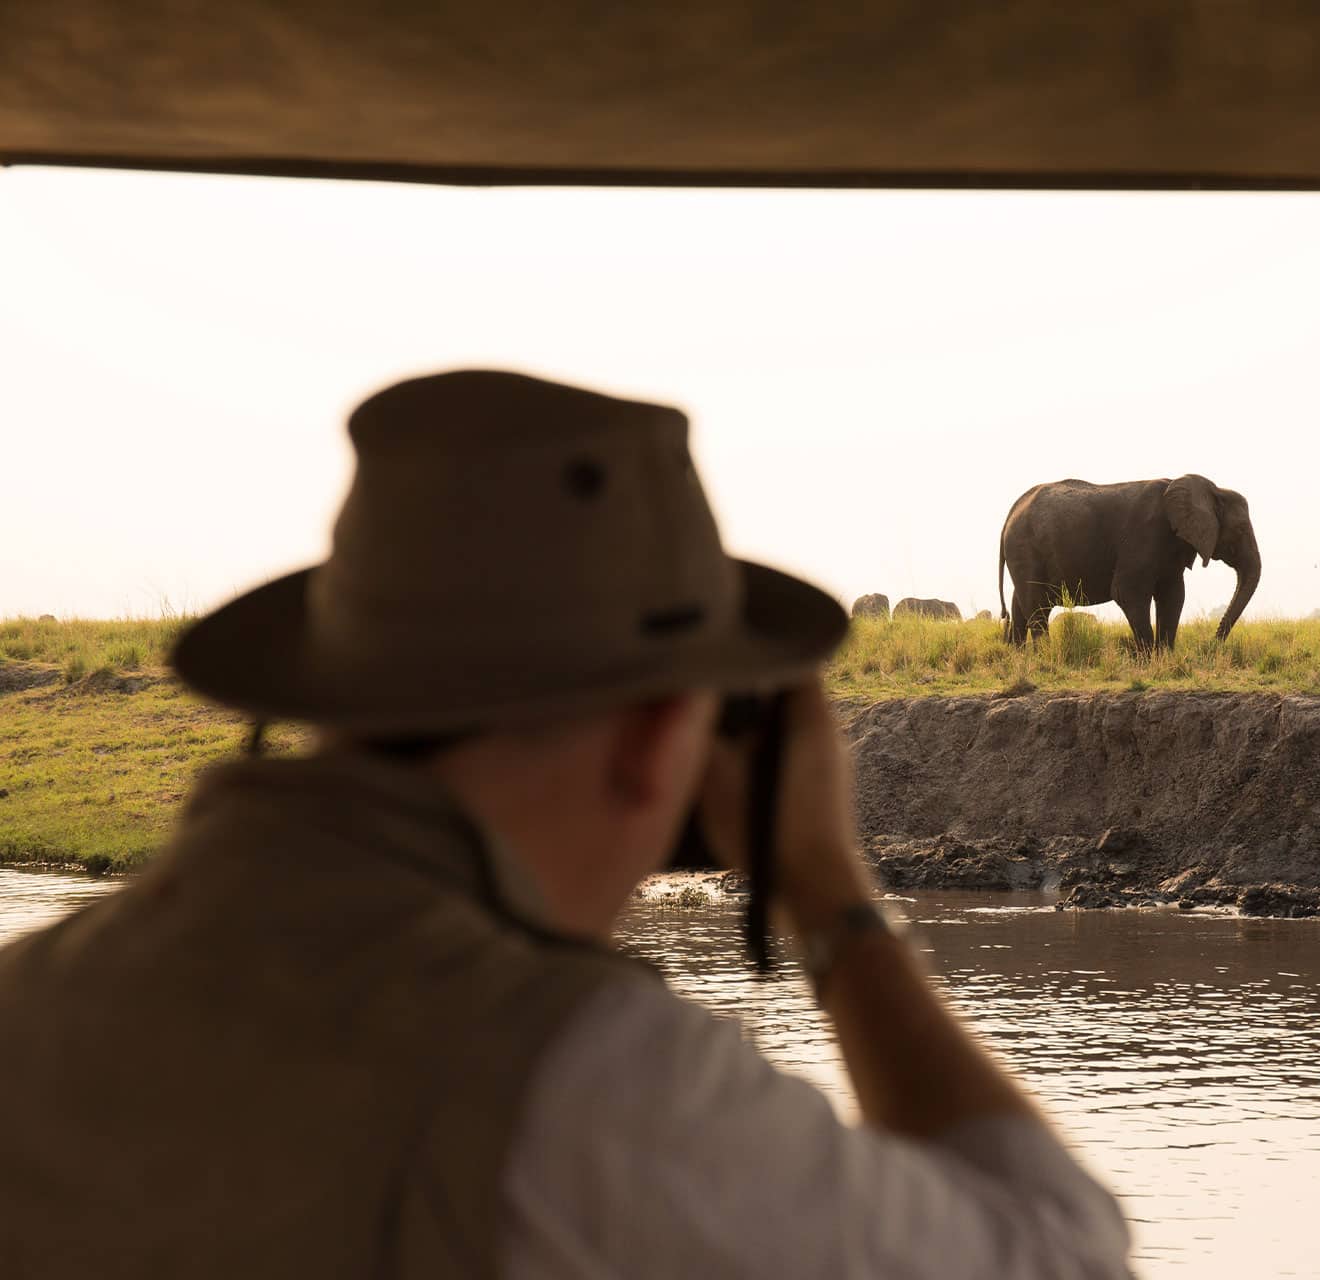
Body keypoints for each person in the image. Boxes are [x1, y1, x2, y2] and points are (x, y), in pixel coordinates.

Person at [0, 371, 1130, 1278]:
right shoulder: (591, 1082)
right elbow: (1064, 1254)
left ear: (322, 694)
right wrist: (828, 892)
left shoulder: (29, 993)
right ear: (654, 740)